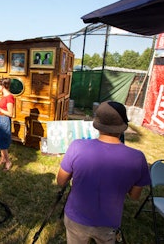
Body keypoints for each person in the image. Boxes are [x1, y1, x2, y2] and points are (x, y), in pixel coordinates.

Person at [56, 101, 151, 244]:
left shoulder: (77, 146)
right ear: (123, 126)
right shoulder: (138, 158)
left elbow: (60, 181)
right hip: (108, 222)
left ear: (97, 124)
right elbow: (135, 196)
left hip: (76, 218)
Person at [0, 78, 14, 171]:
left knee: (2, 142)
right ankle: (3, 158)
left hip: (4, 120)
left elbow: (10, 113)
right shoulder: (4, 95)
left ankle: (8, 161)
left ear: (3, 86)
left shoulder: (9, 97)